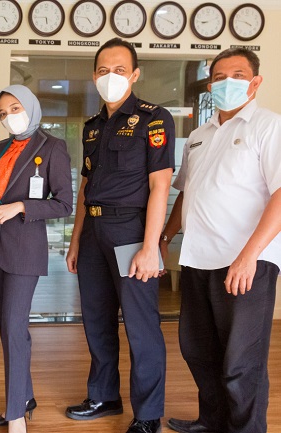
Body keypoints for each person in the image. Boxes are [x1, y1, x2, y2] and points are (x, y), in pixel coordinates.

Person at [160, 48, 281, 433]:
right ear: (210, 86)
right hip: (198, 259)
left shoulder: (269, 126)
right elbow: (186, 192)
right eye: (219, 77)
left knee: (241, 362)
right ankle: (211, 422)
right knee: (200, 351)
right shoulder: (198, 135)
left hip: (245, 262)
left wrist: (249, 256)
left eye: (238, 75)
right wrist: (165, 237)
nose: (228, 82)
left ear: (255, 82)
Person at [65, 38, 175, 433]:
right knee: (96, 320)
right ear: (94, 75)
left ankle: (147, 415)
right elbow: (85, 186)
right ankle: (104, 396)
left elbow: (160, 185)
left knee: (141, 326)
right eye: (103, 70)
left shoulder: (154, 119)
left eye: (119, 69)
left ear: (135, 74)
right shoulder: (92, 127)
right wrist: (76, 239)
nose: (110, 76)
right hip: (94, 232)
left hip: (131, 230)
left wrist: (151, 246)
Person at [0, 85, 73, 433]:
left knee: (14, 328)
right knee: (9, 329)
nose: (9, 117)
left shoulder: (52, 147)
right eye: (3, 113)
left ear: (31, 106)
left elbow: (64, 204)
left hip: (24, 250)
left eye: (15, 108)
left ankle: (15, 413)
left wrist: (22, 206)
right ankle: (24, 397)